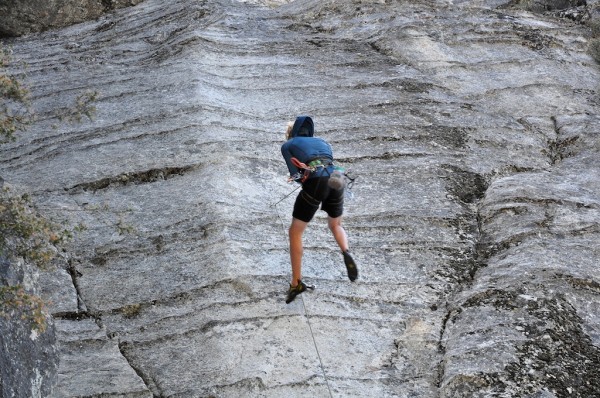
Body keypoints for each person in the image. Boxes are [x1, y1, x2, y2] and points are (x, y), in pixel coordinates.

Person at [281, 115, 358, 304]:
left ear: (291, 133)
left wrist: (301, 173)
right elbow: (326, 162)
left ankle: (296, 283)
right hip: (337, 177)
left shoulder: (288, 145)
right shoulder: (323, 142)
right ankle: (346, 251)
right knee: (335, 224)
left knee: (295, 232)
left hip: (317, 181)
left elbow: (297, 175)